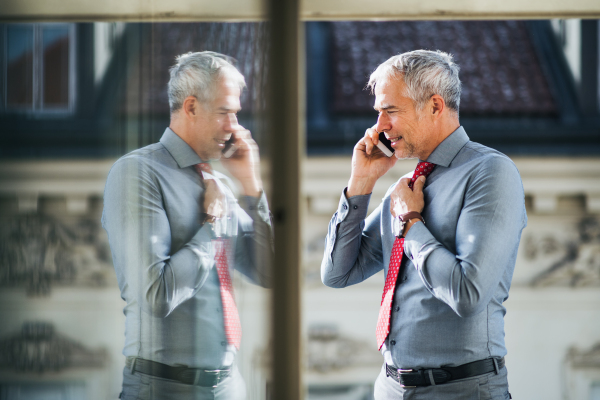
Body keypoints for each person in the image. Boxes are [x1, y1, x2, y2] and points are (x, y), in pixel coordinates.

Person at [321, 50, 526, 399]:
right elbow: (337, 274)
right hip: (389, 388)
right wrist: (361, 183)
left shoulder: (490, 173)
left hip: (461, 391)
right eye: (378, 113)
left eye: (391, 111)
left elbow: (468, 293)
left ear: (434, 106)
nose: (379, 126)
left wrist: (411, 224)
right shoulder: (404, 190)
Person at [102, 51, 272, 400]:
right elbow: (156, 296)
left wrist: (252, 188)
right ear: (191, 107)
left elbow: (272, 273)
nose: (235, 127)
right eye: (225, 112)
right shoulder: (137, 173)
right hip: (163, 388)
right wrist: (212, 226)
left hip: (229, 386)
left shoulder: (219, 186)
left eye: (236, 114)